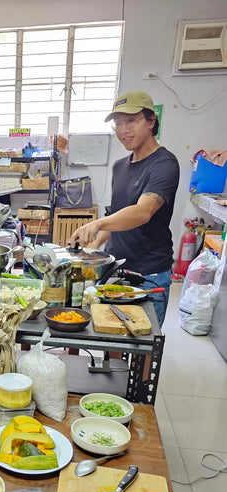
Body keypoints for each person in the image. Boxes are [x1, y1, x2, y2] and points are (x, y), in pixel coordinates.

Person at [71, 91, 180, 326]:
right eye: (118, 123)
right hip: (116, 267)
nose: (123, 130)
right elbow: (117, 216)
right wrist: (95, 245)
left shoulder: (164, 164)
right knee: (111, 332)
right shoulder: (120, 166)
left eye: (131, 120)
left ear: (151, 121)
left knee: (143, 343)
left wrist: (97, 223)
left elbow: (142, 212)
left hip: (149, 273)